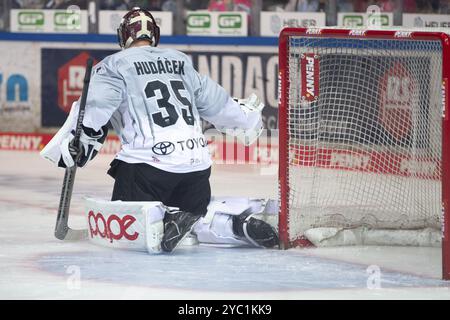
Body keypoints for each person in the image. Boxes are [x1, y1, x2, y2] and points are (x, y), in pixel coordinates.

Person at [41, 7, 274, 253]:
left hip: (147, 171)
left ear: (123, 36)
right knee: (191, 222)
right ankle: (230, 223)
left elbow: (95, 108)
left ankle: (167, 219)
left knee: (134, 231)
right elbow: (220, 105)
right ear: (155, 35)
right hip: (197, 172)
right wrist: (247, 120)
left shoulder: (114, 64)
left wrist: (76, 141)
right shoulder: (181, 60)